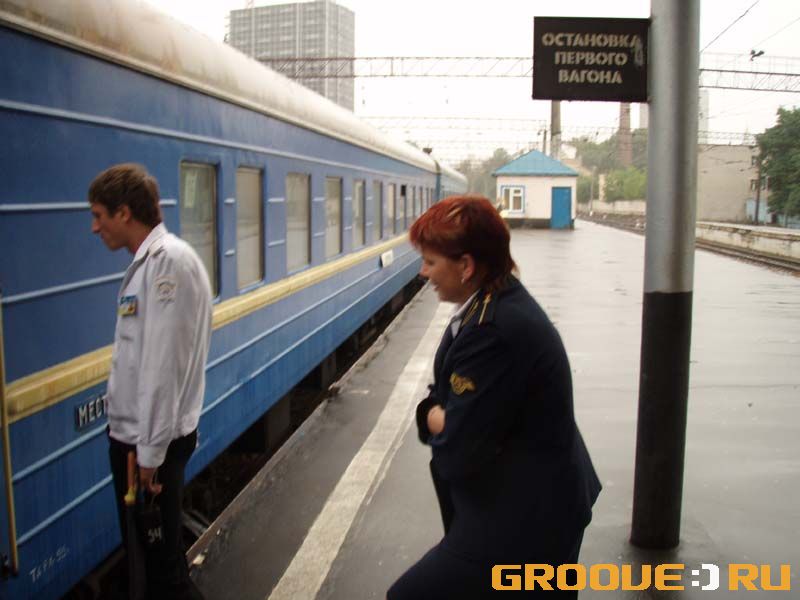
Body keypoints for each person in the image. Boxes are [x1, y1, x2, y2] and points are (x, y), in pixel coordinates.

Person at [387, 195, 601, 599]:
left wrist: (433, 415)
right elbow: (447, 397)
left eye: (430, 261)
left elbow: (459, 446)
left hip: (525, 521)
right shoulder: (493, 303)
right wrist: (443, 412)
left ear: (466, 266)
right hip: (535, 498)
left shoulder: (493, 330)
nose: (423, 272)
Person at [89, 163, 211, 599]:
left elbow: (164, 368)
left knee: (164, 575)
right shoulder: (151, 264)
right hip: (138, 441)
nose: (94, 227)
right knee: (151, 567)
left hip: (146, 447)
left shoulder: (167, 265)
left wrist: (149, 455)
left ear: (124, 212)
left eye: (99, 215)